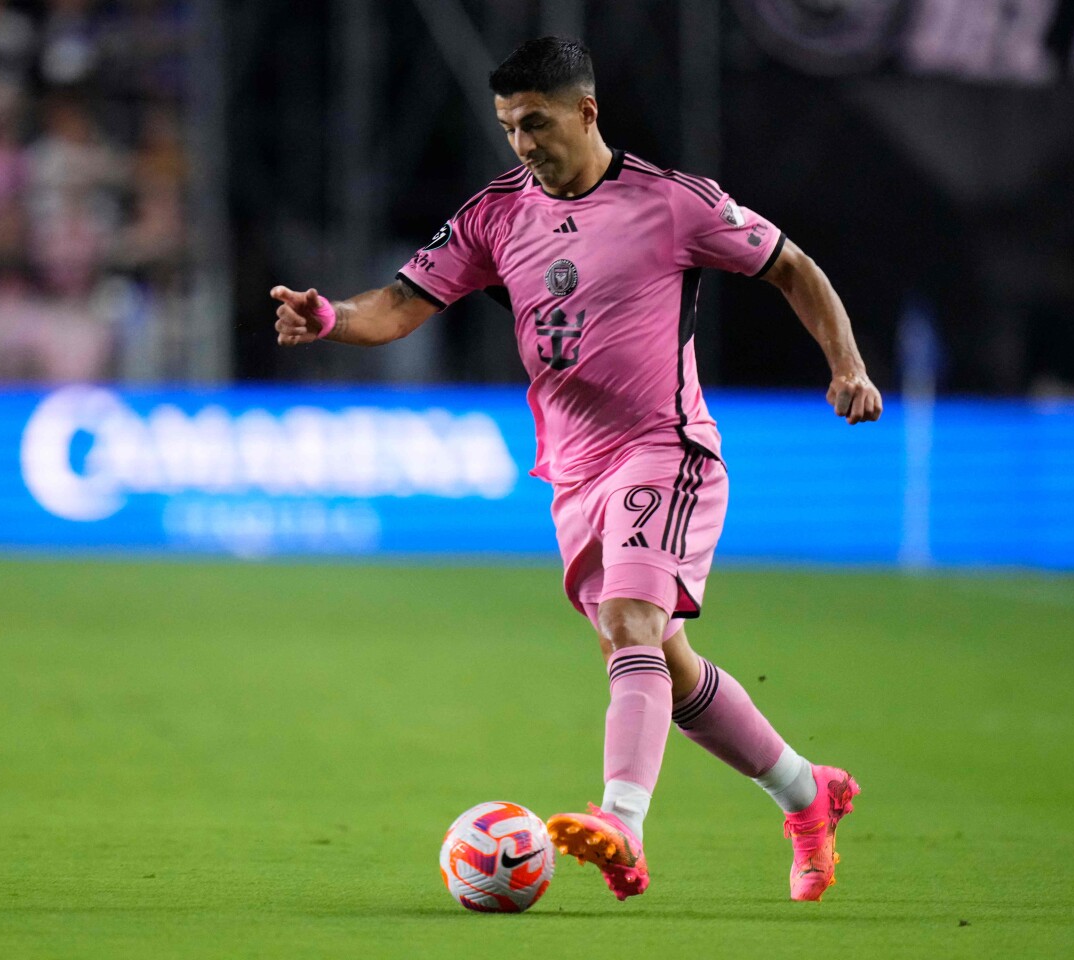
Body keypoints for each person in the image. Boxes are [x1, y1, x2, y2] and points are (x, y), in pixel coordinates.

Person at [270, 37, 882, 903]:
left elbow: (791, 266)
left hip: (665, 450)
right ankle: (804, 792)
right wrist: (330, 315)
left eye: (536, 123)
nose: (521, 143)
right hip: (574, 475)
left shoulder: (673, 203)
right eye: (510, 127)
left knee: (633, 620)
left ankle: (621, 823)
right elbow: (403, 303)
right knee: (663, 662)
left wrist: (846, 365)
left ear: (586, 112)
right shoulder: (495, 214)